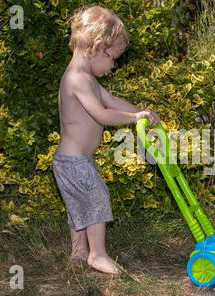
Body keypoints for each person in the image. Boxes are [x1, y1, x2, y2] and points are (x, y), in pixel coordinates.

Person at [52, 5, 160, 275]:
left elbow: (111, 100)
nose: (112, 65)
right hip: (74, 160)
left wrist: (139, 112)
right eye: (113, 57)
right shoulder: (76, 79)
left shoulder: (87, 78)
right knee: (97, 197)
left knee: (79, 204)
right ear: (98, 46)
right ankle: (97, 255)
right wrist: (133, 119)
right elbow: (102, 114)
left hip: (71, 160)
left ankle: (78, 252)